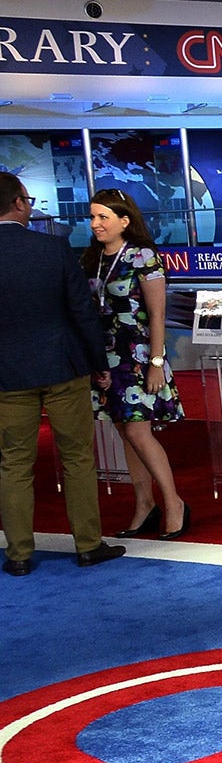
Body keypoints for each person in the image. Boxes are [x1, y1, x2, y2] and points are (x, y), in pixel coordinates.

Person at [0, 172, 124, 574]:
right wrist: (98, 366)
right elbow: (82, 313)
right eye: (28, 198)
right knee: (76, 458)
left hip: (7, 376)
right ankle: (88, 545)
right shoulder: (54, 249)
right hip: (63, 368)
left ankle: (18, 556)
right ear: (19, 203)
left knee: (14, 464)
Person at [84, 188, 191, 541]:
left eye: (103, 217)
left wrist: (157, 361)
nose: (95, 224)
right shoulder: (92, 257)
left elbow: (157, 313)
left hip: (139, 354)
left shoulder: (143, 256)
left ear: (124, 221)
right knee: (123, 430)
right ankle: (144, 504)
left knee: (137, 430)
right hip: (105, 355)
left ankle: (174, 504)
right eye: (93, 216)